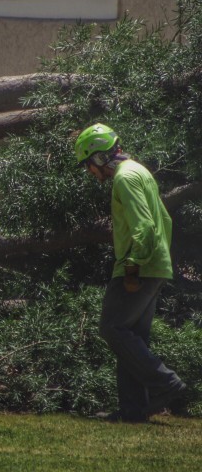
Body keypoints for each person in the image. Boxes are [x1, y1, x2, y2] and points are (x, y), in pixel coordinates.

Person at [75, 123, 187, 422]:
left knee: (112, 328)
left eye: (88, 164)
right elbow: (163, 219)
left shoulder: (124, 178)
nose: (89, 172)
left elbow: (145, 227)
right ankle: (133, 410)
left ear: (99, 158)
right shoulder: (139, 171)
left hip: (141, 265)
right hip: (156, 263)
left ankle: (166, 381)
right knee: (132, 336)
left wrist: (133, 267)